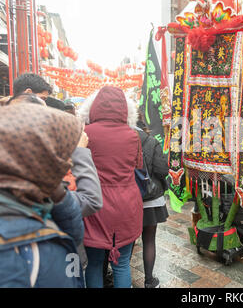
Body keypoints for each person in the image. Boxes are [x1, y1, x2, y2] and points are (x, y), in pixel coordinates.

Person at [0, 103, 85, 287]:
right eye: (59, 155)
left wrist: (57, 191)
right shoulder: (14, 252)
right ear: (36, 158)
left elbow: (73, 237)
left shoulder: (27, 200)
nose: (68, 163)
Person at [77, 86, 143, 288]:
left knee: (95, 264)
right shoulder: (133, 136)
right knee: (122, 264)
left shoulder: (85, 133)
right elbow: (137, 167)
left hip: (95, 203)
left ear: (95, 107)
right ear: (124, 109)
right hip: (127, 203)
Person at [135, 116, 169, 288]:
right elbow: (162, 170)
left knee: (126, 243)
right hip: (151, 198)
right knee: (149, 239)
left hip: (128, 198)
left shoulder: (121, 138)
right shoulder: (150, 141)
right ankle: (149, 280)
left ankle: (122, 278)